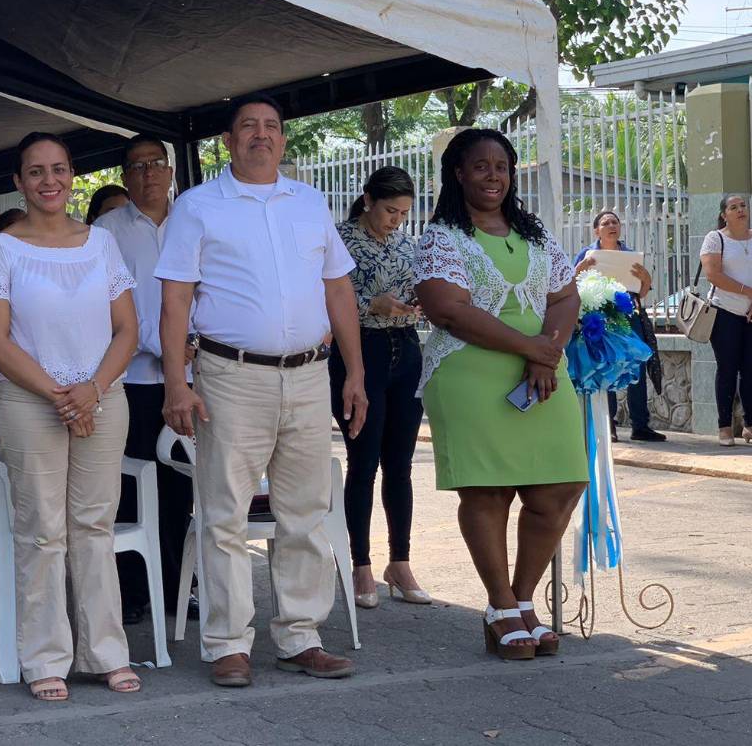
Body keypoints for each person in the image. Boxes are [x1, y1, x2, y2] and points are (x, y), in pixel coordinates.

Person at [155, 94, 367, 688]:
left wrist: (354, 372)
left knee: (305, 511)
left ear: (283, 139)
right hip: (231, 376)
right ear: (228, 141)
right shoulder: (198, 206)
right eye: (248, 126)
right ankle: (228, 644)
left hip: (309, 374)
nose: (261, 134)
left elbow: (338, 290)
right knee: (224, 514)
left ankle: (300, 637)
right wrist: (176, 383)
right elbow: (175, 300)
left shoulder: (309, 201)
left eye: (271, 126)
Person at [0, 131, 141, 702]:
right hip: (30, 403)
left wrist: (91, 390)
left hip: (101, 398)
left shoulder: (101, 243)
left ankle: (105, 652)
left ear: (73, 175)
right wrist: (62, 396)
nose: (50, 181)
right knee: (42, 531)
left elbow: (127, 329)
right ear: (19, 182)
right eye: (36, 171)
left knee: (94, 527)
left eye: (59, 169)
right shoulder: (1, 249)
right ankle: (45, 657)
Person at [413, 128, 586, 661]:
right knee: (488, 492)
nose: (494, 176)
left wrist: (545, 352)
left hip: (541, 372)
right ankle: (500, 606)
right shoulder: (442, 238)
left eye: (502, 167)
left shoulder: (534, 235)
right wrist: (533, 349)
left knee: (561, 484)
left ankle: (523, 598)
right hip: (469, 374)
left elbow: (565, 296)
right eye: (481, 166)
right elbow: (448, 310)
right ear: (458, 173)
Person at [96, 135, 196, 625]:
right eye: (137, 166)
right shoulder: (106, 232)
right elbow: (104, 306)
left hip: (191, 378)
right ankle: (133, 592)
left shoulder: (193, 221)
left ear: (171, 170)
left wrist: (191, 345)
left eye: (156, 163)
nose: (148, 173)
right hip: (130, 379)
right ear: (125, 176)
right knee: (130, 487)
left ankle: (179, 589)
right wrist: (162, 346)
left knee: (181, 487)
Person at [330, 166, 430, 610]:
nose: (397, 220)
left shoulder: (407, 244)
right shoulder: (337, 240)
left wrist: (418, 303)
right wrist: (372, 304)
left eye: (404, 213)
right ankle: (360, 564)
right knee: (364, 461)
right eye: (391, 210)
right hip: (360, 352)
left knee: (400, 464)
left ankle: (400, 562)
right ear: (368, 199)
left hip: (405, 349)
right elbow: (321, 299)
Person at [573, 210, 665, 442]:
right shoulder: (587, 255)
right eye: (606, 223)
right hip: (599, 318)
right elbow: (571, 286)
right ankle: (609, 424)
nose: (612, 226)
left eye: (615, 222)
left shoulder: (629, 255)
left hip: (628, 315)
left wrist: (646, 278)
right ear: (597, 231)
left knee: (636, 365)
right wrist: (580, 269)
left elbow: (641, 293)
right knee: (607, 365)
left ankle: (640, 426)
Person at [699, 194, 752, 447]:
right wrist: (749, 292)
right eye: (734, 207)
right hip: (724, 313)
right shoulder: (715, 238)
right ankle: (724, 427)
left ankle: (750, 425)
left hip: (750, 313)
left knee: (750, 370)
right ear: (724, 214)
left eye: (743, 206)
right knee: (728, 369)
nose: (740, 210)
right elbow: (713, 275)